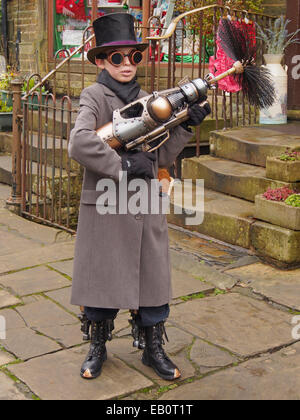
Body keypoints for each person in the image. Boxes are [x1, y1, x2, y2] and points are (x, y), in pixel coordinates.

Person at [68, 13, 211, 381]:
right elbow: (80, 141)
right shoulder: (94, 96)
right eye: (117, 57)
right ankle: (97, 346)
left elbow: (161, 156)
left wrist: (185, 125)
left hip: (144, 204)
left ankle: (153, 348)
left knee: (152, 279)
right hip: (106, 202)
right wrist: (122, 168)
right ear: (101, 60)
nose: (127, 64)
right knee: (101, 282)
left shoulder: (151, 99)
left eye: (134, 56)